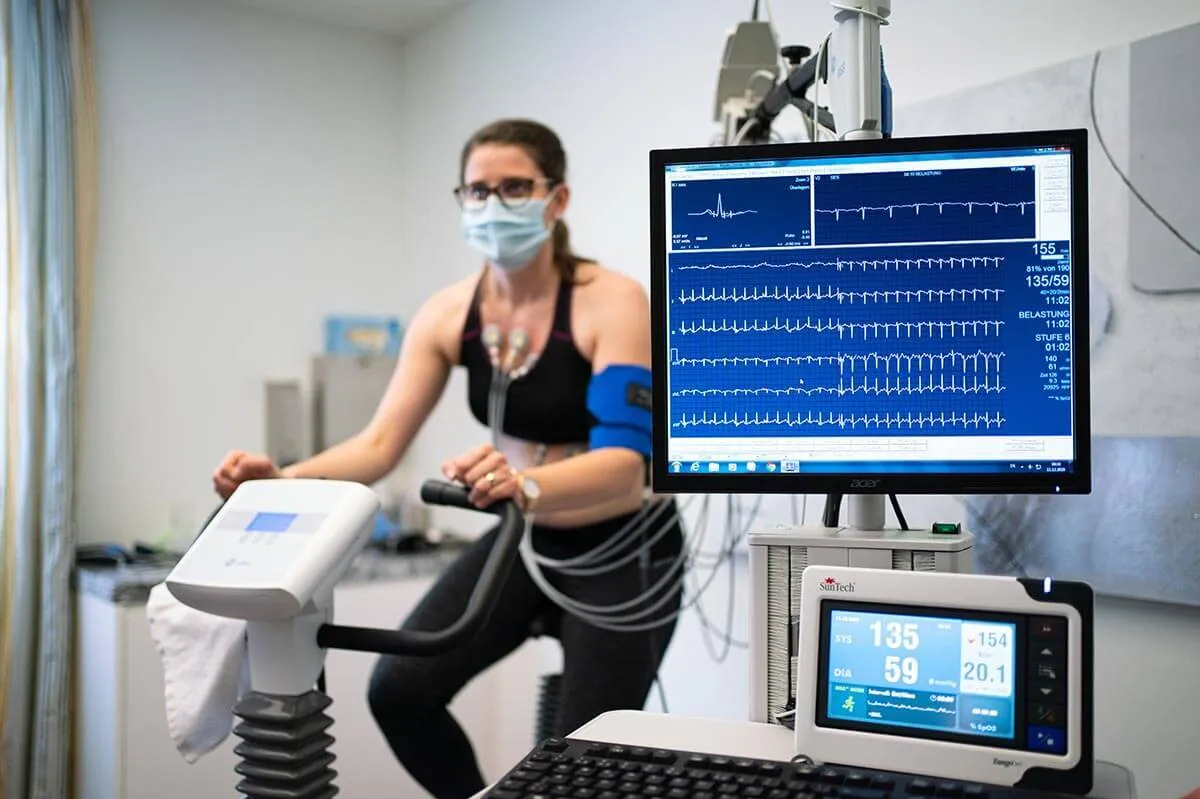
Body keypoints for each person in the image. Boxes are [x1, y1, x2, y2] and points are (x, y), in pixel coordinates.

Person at [212, 118, 685, 799]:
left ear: (557, 200)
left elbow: (627, 463)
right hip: (526, 539)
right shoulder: (446, 315)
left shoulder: (609, 300)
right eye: (477, 189)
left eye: (515, 187)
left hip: (626, 546)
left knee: (585, 766)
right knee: (400, 690)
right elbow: (379, 446)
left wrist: (522, 480)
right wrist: (281, 480)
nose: (494, 205)